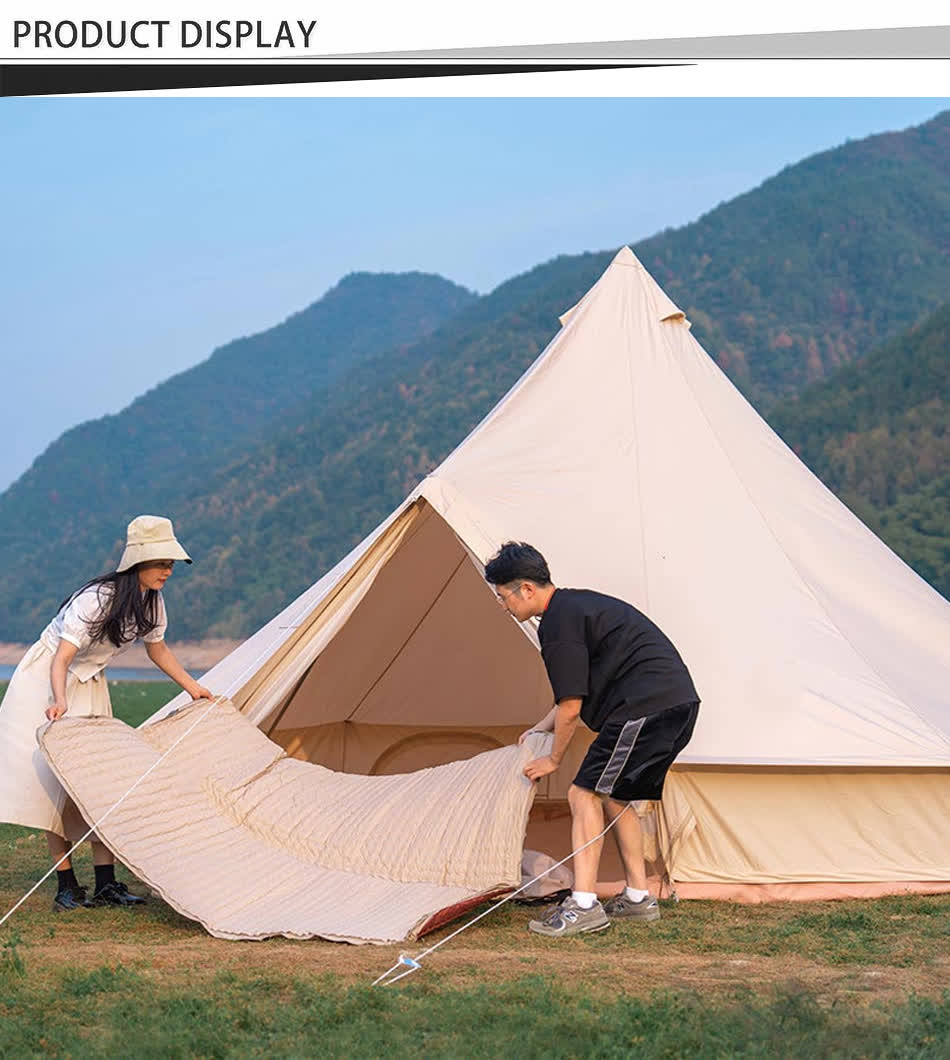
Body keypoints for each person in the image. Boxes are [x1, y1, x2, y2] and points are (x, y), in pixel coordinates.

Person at [484, 542, 699, 938]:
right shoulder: (574, 608)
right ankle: (638, 897)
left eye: (503, 596)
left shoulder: (557, 625)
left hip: (646, 707)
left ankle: (583, 904)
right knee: (616, 797)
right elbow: (568, 698)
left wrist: (552, 759)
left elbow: (571, 704)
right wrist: (538, 728)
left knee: (581, 794)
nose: (503, 606)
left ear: (526, 590)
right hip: (674, 705)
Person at [0, 515, 212, 912]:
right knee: (54, 783)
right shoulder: (96, 599)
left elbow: (158, 650)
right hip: (47, 680)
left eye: (171, 563)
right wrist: (59, 701)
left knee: (100, 777)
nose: (168, 570)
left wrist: (194, 688)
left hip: (90, 680)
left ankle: (106, 884)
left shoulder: (152, 600)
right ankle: (66, 884)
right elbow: (62, 657)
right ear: (137, 563)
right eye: (161, 561)